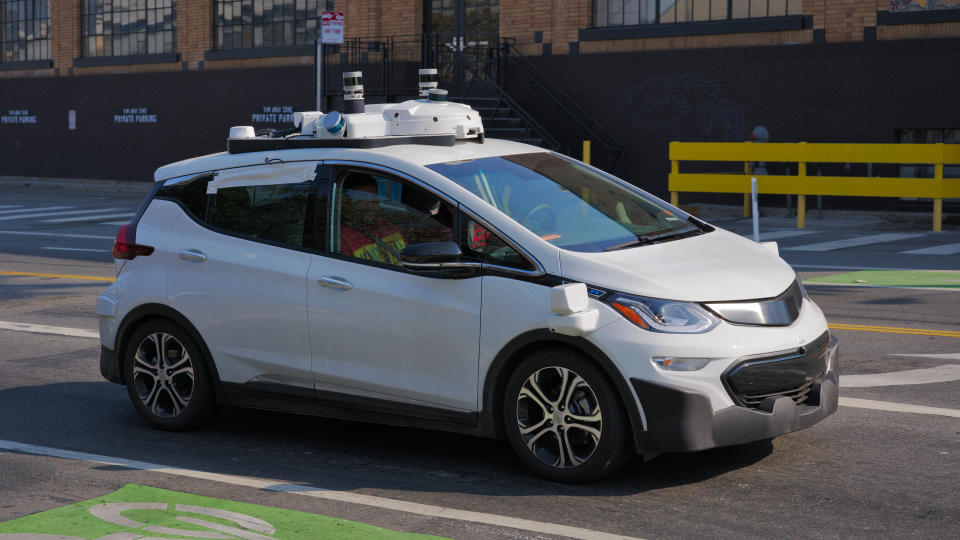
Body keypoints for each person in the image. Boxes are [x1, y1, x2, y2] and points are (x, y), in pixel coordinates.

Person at [339, 175, 406, 265]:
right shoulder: (341, 236)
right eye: (362, 200)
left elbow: (408, 254)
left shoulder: (387, 226)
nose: (370, 205)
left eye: (374, 198)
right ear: (348, 203)